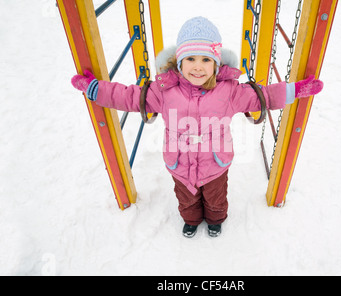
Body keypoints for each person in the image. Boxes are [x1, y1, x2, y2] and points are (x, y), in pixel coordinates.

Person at [71, 17, 323, 238]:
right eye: (190, 58)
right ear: (179, 62)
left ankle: (215, 221)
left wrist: (296, 90)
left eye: (206, 59)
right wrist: (96, 89)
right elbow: (128, 97)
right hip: (179, 164)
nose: (198, 66)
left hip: (215, 163)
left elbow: (264, 96)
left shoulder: (230, 91)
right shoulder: (164, 91)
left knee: (215, 198)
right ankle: (191, 220)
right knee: (186, 199)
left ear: (216, 63)